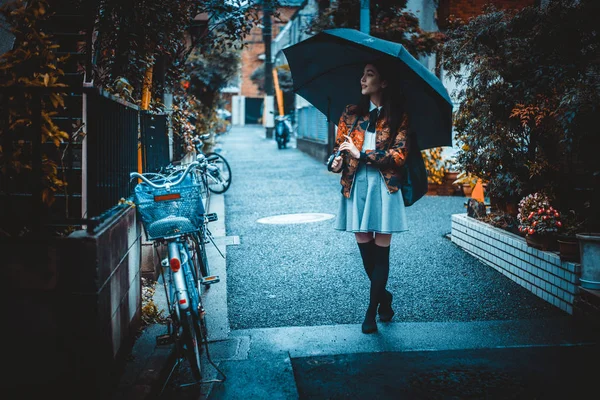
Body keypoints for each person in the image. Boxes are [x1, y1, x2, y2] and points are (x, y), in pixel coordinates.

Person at [329, 60, 410, 334]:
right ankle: (384, 298)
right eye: (362, 74)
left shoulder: (399, 116)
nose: (362, 79)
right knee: (366, 248)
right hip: (356, 186)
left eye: (370, 74)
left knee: (381, 252)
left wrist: (361, 155)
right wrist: (337, 161)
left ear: (383, 82)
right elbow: (340, 150)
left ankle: (370, 313)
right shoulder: (351, 115)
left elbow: (399, 157)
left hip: (384, 186)